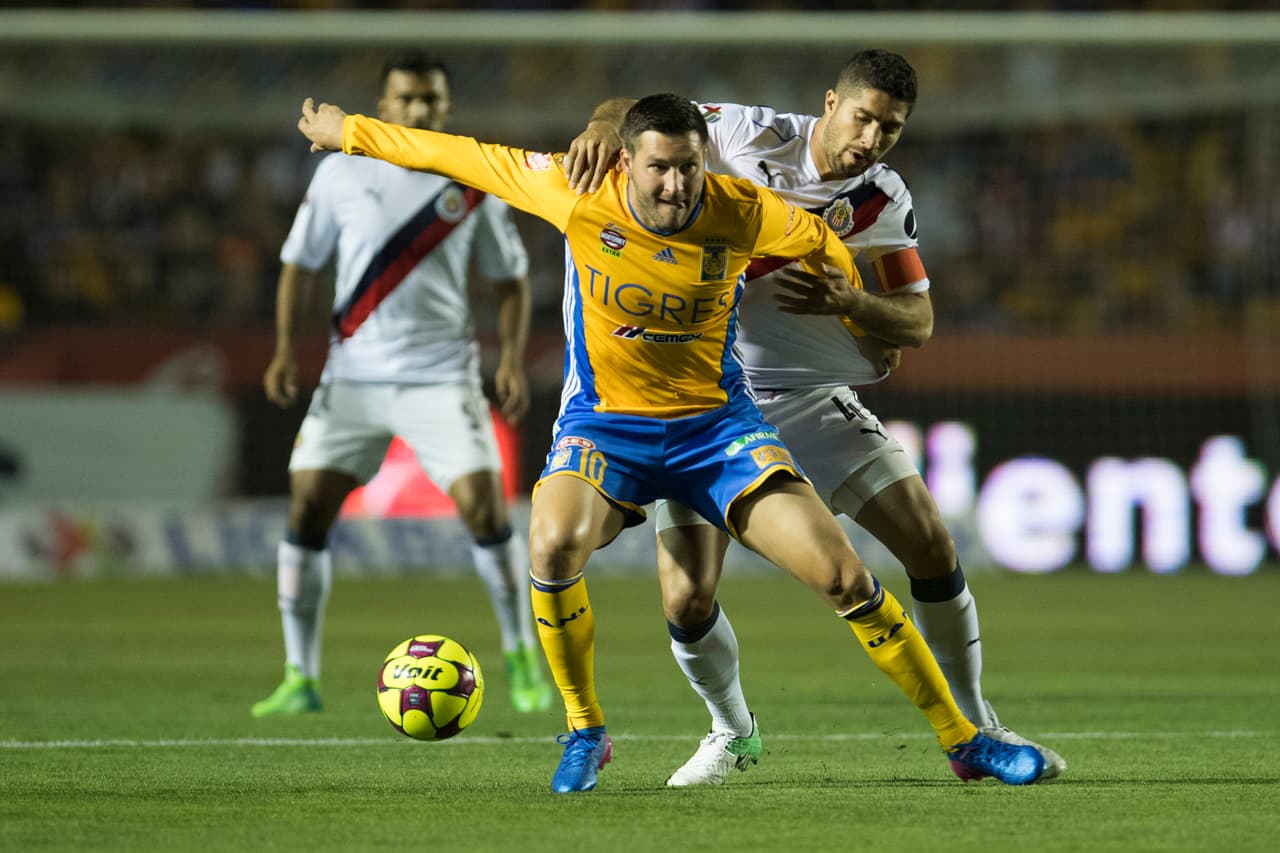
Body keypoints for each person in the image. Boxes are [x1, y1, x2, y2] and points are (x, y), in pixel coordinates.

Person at [297, 91, 1046, 793]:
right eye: (659, 167)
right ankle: (585, 731)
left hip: (718, 430)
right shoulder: (574, 189)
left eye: (689, 166)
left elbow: (818, 238)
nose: (676, 185)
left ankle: (964, 739)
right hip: (606, 426)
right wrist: (349, 135)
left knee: (845, 577)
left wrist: (855, 326)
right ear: (628, 162)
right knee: (553, 545)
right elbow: (451, 153)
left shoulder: (743, 208)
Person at [563, 49, 1066, 785]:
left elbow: (917, 321)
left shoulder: (878, 201)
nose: (870, 138)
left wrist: (853, 303)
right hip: (704, 400)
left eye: (889, 129)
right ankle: (732, 731)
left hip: (804, 395)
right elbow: (630, 112)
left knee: (926, 538)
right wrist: (601, 126)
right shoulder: (739, 133)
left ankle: (976, 720)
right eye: (862, 117)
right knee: (687, 594)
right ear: (830, 103)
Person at [252, 50, 553, 720]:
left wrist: (508, 358)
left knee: (486, 510)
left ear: (446, 108)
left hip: (440, 375)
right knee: (305, 510)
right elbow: (300, 266)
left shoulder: (469, 180)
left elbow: (509, 282)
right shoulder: (337, 174)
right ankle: (300, 675)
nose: (419, 110)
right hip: (352, 373)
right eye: (407, 100)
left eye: (431, 100)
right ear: (383, 107)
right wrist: (281, 349)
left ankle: (521, 657)